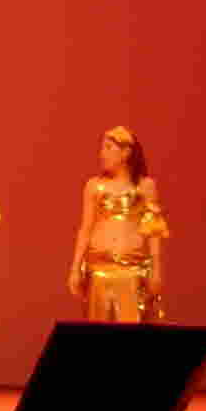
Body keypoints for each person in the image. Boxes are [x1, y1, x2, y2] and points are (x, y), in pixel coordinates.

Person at [67, 127, 169, 322]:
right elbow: (85, 228)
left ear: (126, 152)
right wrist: (75, 268)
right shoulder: (94, 186)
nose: (102, 154)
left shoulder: (145, 187)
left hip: (133, 271)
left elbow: (153, 231)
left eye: (108, 148)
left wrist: (156, 269)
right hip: (99, 269)